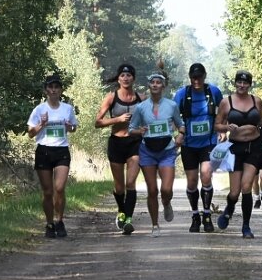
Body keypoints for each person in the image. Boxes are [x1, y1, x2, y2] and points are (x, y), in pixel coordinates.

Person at [215, 70, 262, 238]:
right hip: (235, 148)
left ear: (250, 84)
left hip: (253, 147)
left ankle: (246, 226)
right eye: (239, 82)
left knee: (246, 186)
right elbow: (217, 125)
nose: (242, 85)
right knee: (234, 191)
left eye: (245, 82)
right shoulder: (227, 102)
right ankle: (229, 209)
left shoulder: (257, 101)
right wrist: (226, 127)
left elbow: (260, 121)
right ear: (235, 83)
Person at [128, 72, 185, 237]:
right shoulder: (141, 107)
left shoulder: (172, 105)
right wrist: (140, 130)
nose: (155, 85)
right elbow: (131, 129)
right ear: (149, 86)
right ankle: (155, 225)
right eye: (152, 82)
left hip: (167, 150)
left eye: (158, 83)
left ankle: (166, 203)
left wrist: (180, 136)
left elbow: (181, 125)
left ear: (163, 86)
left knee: (166, 189)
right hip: (147, 151)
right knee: (152, 190)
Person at [173, 63, 224, 233]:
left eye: (200, 77)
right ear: (190, 78)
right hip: (189, 144)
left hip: (209, 141)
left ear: (204, 76)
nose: (197, 81)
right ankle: (195, 214)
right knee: (192, 181)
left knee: (206, 175)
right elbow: (173, 115)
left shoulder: (213, 91)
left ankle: (207, 213)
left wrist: (222, 128)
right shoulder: (182, 94)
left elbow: (223, 110)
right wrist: (179, 132)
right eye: (194, 77)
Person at [27, 74, 79, 238]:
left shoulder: (67, 109)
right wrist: (41, 124)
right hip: (44, 151)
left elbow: (73, 128)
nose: (54, 90)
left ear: (61, 90)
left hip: (61, 151)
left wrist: (70, 127)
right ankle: (49, 223)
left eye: (57, 87)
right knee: (48, 192)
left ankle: (60, 221)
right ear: (46, 90)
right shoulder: (39, 109)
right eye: (50, 87)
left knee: (59, 188)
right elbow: (30, 133)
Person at [94, 64, 144, 235]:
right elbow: (98, 122)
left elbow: (151, 117)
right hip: (116, 142)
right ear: (118, 79)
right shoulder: (111, 97)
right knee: (119, 186)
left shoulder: (141, 98)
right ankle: (121, 210)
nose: (125, 78)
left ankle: (129, 219)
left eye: (129, 75)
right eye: (122, 75)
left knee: (130, 182)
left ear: (133, 78)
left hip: (135, 143)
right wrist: (117, 119)